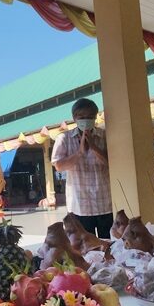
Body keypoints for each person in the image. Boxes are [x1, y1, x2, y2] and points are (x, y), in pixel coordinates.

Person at [51, 98, 113, 238]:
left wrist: (94, 147)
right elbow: (59, 166)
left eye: (90, 117)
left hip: (105, 203)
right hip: (79, 205)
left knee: (109, 244)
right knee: (84, 246)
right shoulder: (64, 138)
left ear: (96, 117)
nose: (86, 120)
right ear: (74, 118)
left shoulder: (104, 135)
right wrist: (80, 152)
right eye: (82, 117)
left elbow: (112, 163)